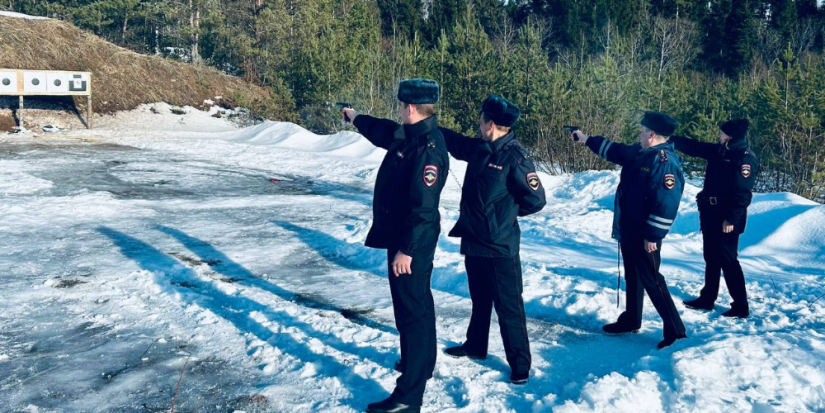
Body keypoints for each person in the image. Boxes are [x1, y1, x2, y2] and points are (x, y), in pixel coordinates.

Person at [343, 78, 448, 413]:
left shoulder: (427, 149)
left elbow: (424, 208)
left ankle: (408, 396)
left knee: (411, 310)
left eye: (402, 105)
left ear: (411, 108)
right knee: (417, 305)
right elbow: (383, 131)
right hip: (407, 238)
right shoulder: (413, 136)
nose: (399, 110)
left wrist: (407, 250)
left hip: (411, 242)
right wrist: (356, 117)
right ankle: (421, 364)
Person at [437, 95, 546, 384]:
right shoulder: (480, 148)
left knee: (509, 306)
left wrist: (504, 216)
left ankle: (520, 364)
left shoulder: (516, 158)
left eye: (482, 119)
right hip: (474, 240)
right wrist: (431, 125)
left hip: (500, 246)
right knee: (480, 299)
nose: (478, 123)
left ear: (492, 124)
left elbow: (536, 199)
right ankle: (476, 344)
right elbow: (456, 142)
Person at [570, 112, 687, 349]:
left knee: (653, 280)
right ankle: (632, 320)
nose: (640, 134)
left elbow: (667, 202)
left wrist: (653, 235)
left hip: (646, 235)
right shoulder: (641, 153)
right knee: (633, 277)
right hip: (630, 229)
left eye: (643, 131)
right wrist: (584, 138)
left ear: (652, 135)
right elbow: (615, 150)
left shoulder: (664, 161)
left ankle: (676, 332)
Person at [672, 119, 759, 319]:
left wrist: (731, 219)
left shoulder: (744, 158)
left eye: (721, 134)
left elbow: (743, 194)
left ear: (731, 137)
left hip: (727, 218)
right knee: (711, 257)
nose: (719, 136)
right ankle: (707, 298)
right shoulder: (721, 151)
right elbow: (695, 147)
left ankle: (740, 305)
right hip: (711, 213)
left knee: (728, 261)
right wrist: (670, 138)